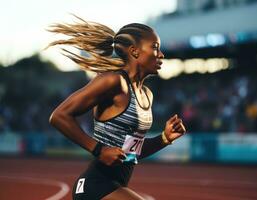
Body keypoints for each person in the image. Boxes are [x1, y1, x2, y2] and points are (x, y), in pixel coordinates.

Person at [48, 15, 186, 200]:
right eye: (155, 48)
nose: (161, 54)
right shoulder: (114, 81)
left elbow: (130, 153)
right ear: (134, 51)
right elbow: (59, 116)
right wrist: (98, 149)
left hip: (116, 184)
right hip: (95, 186)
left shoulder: (147, 95)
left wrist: (164, 138)